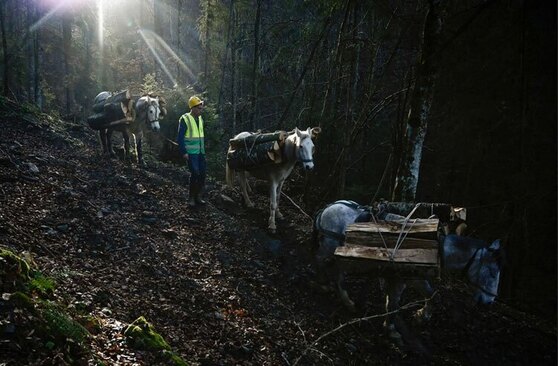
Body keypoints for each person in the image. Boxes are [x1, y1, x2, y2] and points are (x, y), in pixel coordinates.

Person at [177, 96, 207, 206]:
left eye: (201, 108)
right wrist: (183, 152)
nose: (201, 110)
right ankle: (191, 198)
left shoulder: (200, 119)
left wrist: (203, 151)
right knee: (195, 173)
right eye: (199, 108)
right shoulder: (185, 119)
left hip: (200, 152)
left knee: (202, 174)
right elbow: (180, 137)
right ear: (193, 108)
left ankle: (198, 196)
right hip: (190, 152)